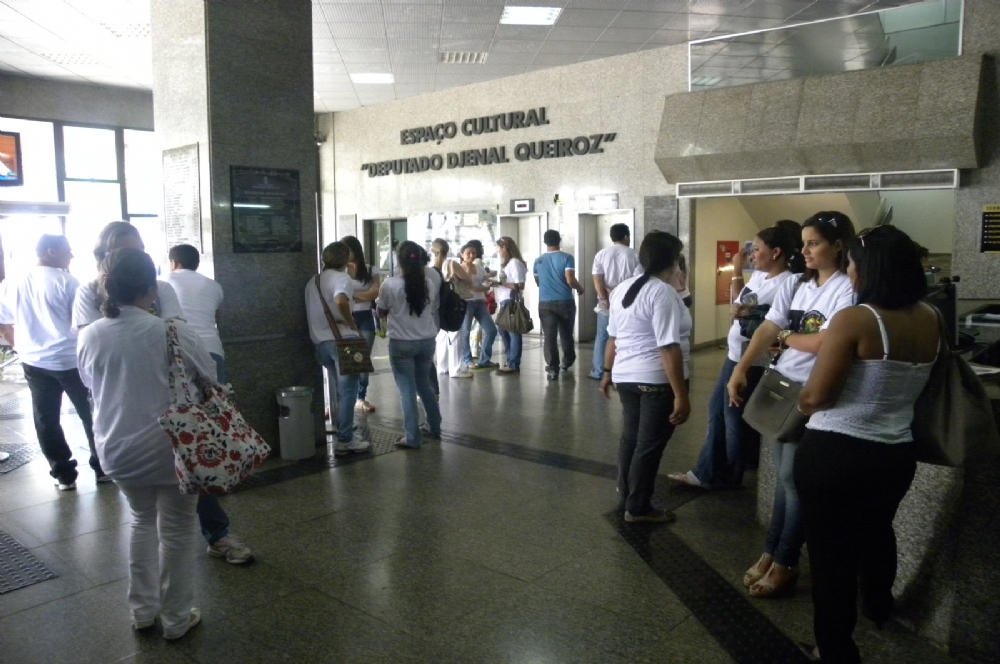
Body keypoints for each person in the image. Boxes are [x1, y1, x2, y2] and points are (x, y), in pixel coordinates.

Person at [795, 226, 938, 663]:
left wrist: (800, 402)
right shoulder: (931, 317)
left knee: (830, 558)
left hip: (836, 454)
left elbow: (817, 396)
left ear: (868, 269)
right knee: (877, 531)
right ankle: (878, 605)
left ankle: (835, 649)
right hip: (896, 453)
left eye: (853, 264)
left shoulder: (856, 319)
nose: (850, 273)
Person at [74, 225, 253, 565]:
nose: (135, 256)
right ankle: (179, 598)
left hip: (155, 419)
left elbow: (171, 337)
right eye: (127, 251)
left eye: (139, 249)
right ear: (105, 258)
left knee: (153, 513)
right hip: (134, 419)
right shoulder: (88, 294)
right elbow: (97, 360)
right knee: (170, 527)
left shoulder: (158, 292)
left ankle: (215, 536)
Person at [77, 247, 213, 640]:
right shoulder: (173, 331)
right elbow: (208, 375)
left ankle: (141, 611)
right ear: (151, 290)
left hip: (117, 448)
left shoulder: (89, 335)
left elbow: (90, 383)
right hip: (175, 448)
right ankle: (176, 619)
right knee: (177, 530)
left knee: (140, 521)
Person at [728, 211, 857, 599]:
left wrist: (786, 336)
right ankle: (772, 551)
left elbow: (824, 342)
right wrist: (741, 369)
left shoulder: (847, 289)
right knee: (785, 479)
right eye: (804, 244)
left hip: (814, 392)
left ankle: (786, 560)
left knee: (794, 481)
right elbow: (769, 326)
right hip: (784, 387)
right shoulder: (800, 282)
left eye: (814, 243)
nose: (806, 251)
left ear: (838, 245)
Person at [669, 222, 801, 489]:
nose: (752, 254)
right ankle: (722, 469)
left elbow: (775, 323)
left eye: (757, 249)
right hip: (735, 352)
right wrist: (737, 272)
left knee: (730, 416)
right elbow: (739, 300)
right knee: (721, 412)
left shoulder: (787, 282)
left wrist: (750, 314)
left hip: (750, 358)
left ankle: (721, 474)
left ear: (776, 252)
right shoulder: (761, 276)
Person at [0, 234, 106, 489]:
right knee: (91, 414)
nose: (71, 255)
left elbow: (4, 324)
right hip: (71, 361)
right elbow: (84, 324)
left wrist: (22, 348)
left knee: (45, 419)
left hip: (33, 362)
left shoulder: (10, 283)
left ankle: (63, 475)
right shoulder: (67, 282)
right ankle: (102, 468)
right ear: (51, 252)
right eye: (67, 250)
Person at [600, 231, 690, 523]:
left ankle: (627, 494)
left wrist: (607, 372)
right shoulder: (661, 292)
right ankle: (638, 507)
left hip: (626, 377)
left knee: (631, 439)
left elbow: (612, 337)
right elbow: (668, 346)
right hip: (656, 379)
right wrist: (681, 394)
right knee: (649, 446)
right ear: (673, 260)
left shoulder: (623, 289)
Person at [305, 242, 371, 455]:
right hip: (343, 342)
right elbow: (341, 300)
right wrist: (351, 323)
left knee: (341, 390)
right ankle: (345, 440)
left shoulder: (313, 281)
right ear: (345, 259)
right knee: (349, 392)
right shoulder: (341, 278)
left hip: (321, 344)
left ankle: (346, 429)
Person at [376, 241, 442, 448]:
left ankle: (412, 437)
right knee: (424, 385)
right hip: (427, 341)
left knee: (407, 389)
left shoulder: (390, 284)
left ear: (399, 260)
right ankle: (434, 425)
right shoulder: (428, 284)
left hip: (402, 343)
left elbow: (381, 310)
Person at [72, 222, 183, 329]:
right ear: (102, 256)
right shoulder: (89, 291)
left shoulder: (161, 288)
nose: (130, 259)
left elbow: (177, 332)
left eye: (137, 251)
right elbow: (89, 337)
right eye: (120, 253)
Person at [165, 244, 225, 382]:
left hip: (178, 351)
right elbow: (215, 317)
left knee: (181, 395)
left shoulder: (162, 282)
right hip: (211, 349)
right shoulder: (214, 286)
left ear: (174, 263)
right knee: (217, 394)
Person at [590, 223, 640, 380]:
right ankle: (624, 371)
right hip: (627, 301)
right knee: (627, 335)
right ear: (626, 236)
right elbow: (637, 280)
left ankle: (598, 371)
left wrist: (604, 298)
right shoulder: (634, 255)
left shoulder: (601, 254)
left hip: (605, 301)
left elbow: (597, 278)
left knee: (603, 336)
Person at [533, 229, 584, 381]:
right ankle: (567, 362)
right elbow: (570, 280)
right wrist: (580, 289)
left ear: (545, 242)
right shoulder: (567, 257)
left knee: (549, 336)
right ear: (559, 240)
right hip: (565, 301)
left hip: (545, 303)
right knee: (566, 334)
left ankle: (552, 370)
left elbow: (538, 282)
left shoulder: (538, 260)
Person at [342, 235, 381, 412]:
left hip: (365, 317)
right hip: (345, 317)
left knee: (363, 358)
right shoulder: (340, 271)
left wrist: (351, 297)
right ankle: (343, 397)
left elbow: (375, 293)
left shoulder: (371, 269)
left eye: (348, 250)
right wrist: (361, 296)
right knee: (346, 358)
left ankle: (361, 397)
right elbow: (338, 298)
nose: (346, 254)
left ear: (356, 250)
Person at [431, 239, 473, 379]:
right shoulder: (451, 264)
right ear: (447, 250)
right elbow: (468, 279)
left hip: (438, 304)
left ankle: (442, 366)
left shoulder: (431, 267)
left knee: (442, 335)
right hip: (451, 303)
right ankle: (456, 369)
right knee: (455, 334)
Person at [459, 242, 498, 371]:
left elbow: (484, 279)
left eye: (473, 253)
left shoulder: (479, 267)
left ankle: (484, 360)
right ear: (462, 255)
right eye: (468, 253)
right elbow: (471, 287)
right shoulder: (460, 269)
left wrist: (492, 280)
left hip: (479, 302)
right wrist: (486, 287)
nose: (471, 255)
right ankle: (467, 360)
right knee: (465, 332)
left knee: (491, 330)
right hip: (466, 302)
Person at [494, 236, 528, 375]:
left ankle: (513, 363)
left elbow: (520, 285)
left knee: (513, 331)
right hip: (504, 300)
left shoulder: (515, 263)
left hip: (511, 301)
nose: (498, 251)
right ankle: (510, 360)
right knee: (503, 330)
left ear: (505, 248)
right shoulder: (508, 264)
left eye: (499, 248)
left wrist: (500, 283)